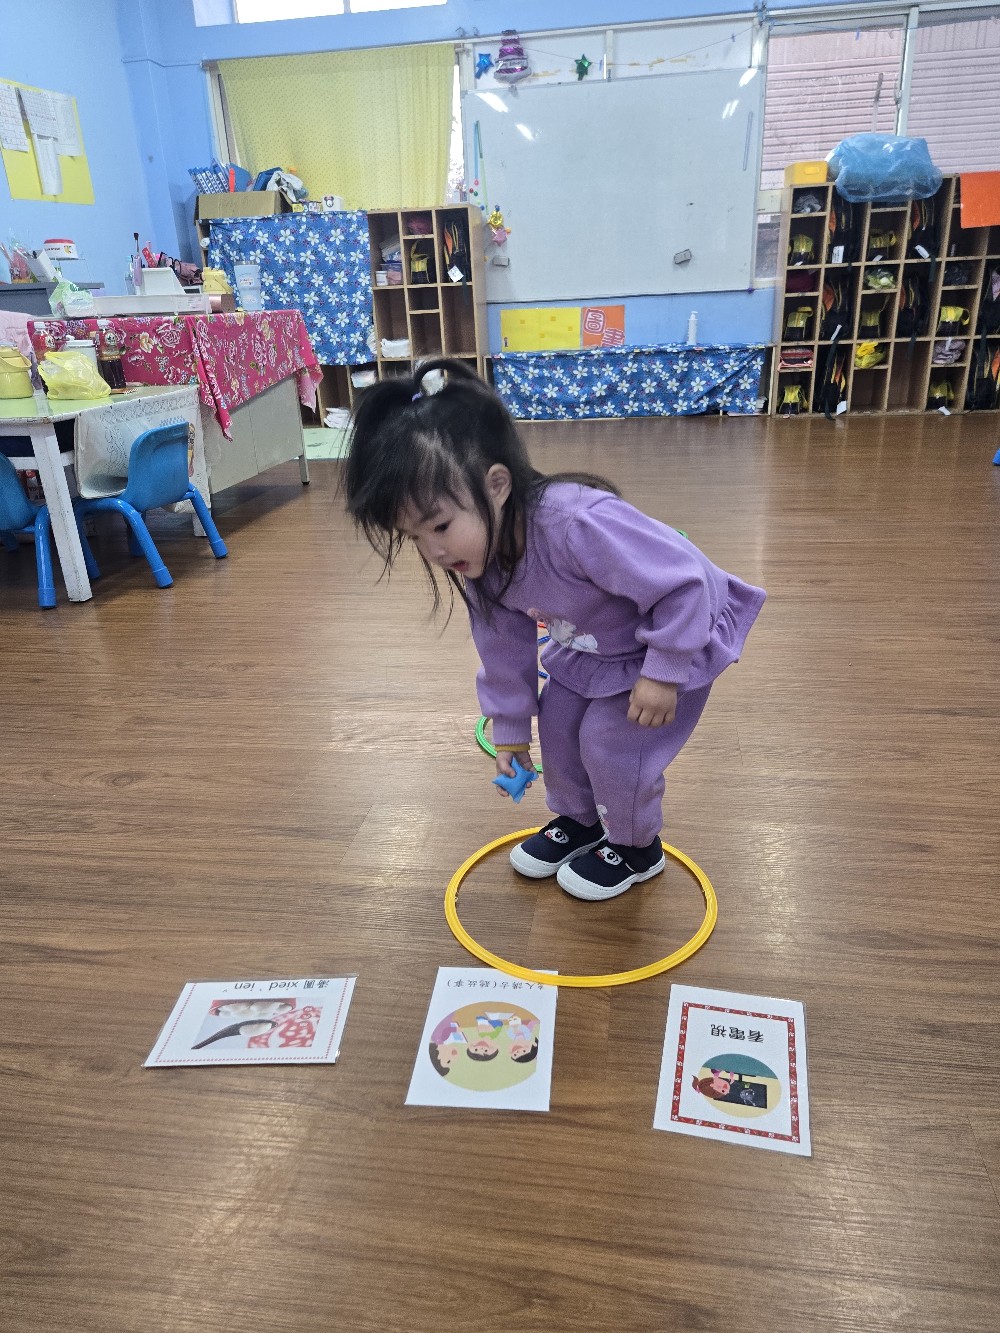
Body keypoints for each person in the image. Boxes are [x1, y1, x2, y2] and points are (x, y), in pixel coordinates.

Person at [344, 359, 765, 901]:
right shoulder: (481, 564)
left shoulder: (577, 523)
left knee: (609, 743)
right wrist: (510, 730)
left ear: (497, 485)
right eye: (414, 538)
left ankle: (637, 846)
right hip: (591, 648)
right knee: (560, 726)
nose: (435, 551)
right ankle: (581, 821)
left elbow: (685, 585)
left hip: (670, 636)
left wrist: (664, 672)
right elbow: (502, 652)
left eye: (441, 526)